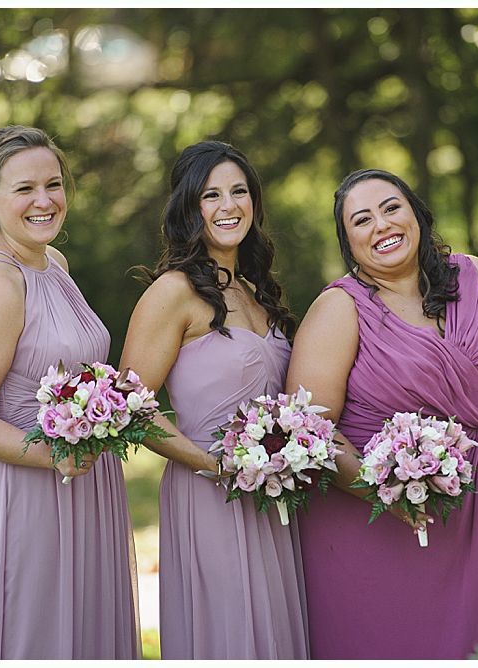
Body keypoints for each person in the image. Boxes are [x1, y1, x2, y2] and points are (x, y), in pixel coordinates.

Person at [286, 168, 478, 659]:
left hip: (476, 509)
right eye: (361, 220)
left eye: (390, 208)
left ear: (416, 214)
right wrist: (385, 491)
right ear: (348, 241)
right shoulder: (339, 310)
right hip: (372, 527)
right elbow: (309, 431)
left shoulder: (476, 277)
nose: (381, 225)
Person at [0, 126, 140, 659]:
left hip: (86, 484)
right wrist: (58, 453)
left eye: (53, 185)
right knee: (34, 634)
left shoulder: (55, 265)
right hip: (25, 491)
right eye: (25, 189)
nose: (45, 201)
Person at [118, 140, 308, 659]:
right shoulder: (174, 292)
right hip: (210, 493)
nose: (229, 206)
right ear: (188, 206)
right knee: (230, 634)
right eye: (211, 194)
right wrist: (216, 466)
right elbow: (128, 407)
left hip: (274, 494)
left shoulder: (256, 289)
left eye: (239, 191)